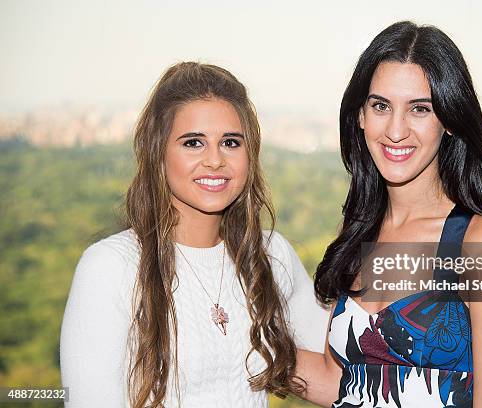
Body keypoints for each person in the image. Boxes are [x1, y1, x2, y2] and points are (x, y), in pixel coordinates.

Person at [60, 61, 329, 407]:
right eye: (193, 143)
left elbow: (348, 367)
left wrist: (396, 223)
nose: (215, 160)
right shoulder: (111, 266)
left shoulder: (269, 255)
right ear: (158, 151)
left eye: (231, 142)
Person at [297, 21, 482, 407]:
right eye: (380, 106)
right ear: (360, 115)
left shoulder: (481, 243)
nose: (395, 130)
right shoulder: (357, 229)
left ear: (450, 121)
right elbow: (339, 382)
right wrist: (237, 339)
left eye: (419, 109)